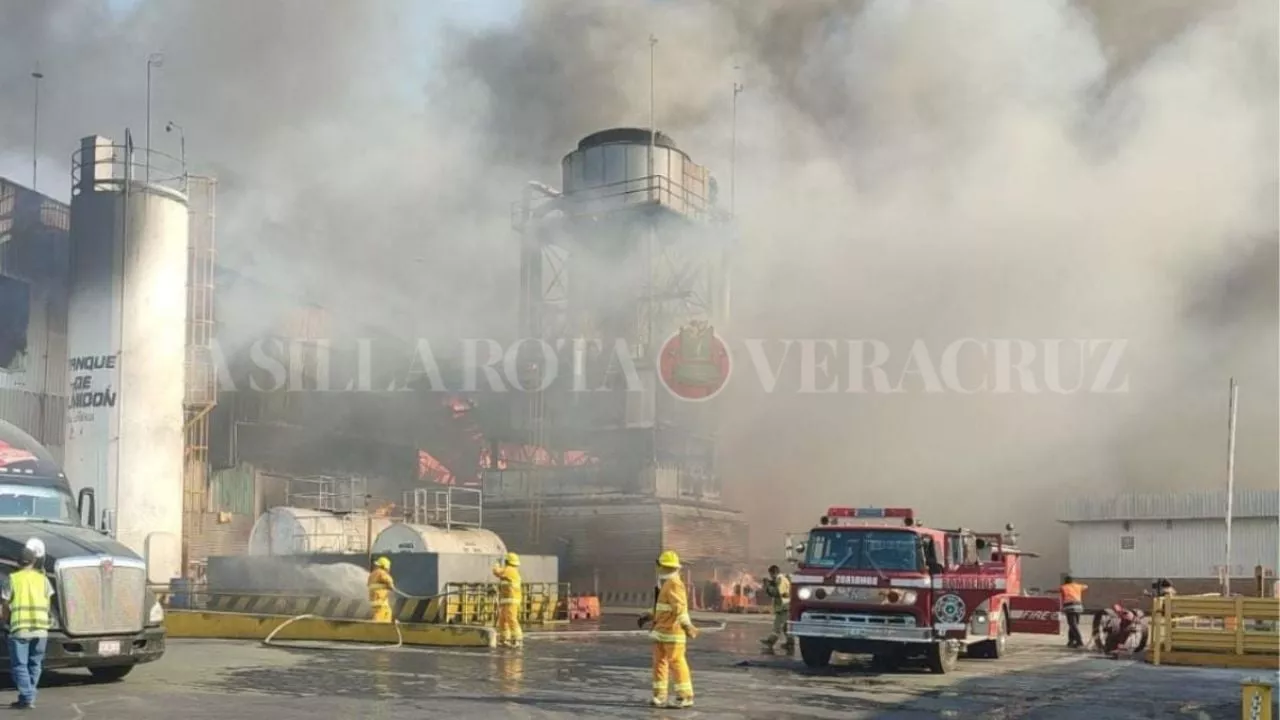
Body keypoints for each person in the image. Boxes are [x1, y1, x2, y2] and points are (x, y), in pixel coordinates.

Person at [637, 551, 698, 708]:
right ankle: (660, 695)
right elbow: (663, 608)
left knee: (677, 663)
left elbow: (680, 608)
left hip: (673, 633)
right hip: (661, 633)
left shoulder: (674, 584)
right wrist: (648, 616)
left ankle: (685, 696)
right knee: (659, 664)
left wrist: (687, 625)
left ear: (664, 567)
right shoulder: (665, 584)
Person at [2, 538, 53, 709]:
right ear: (33, 561)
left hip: (20, 629)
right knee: (35, 664)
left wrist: (4, 621)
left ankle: (28, 694)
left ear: (18, 562)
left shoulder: (13, 579)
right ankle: (26, 699)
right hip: (41, 629)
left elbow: (5, 604)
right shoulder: (43, 580)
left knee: (19, 665)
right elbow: (48, 603)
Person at [759, 565, 793, 654]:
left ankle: (770, 642)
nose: (771, 577)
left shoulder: (781, 580)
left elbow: (777, 592)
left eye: (771, 574)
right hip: (785, 606)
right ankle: (790, 643)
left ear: (774, 572)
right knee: (786, 627)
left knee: (777, 626)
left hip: (783, 607)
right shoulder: (782, 579)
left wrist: (767, 586)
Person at [492, 552, 523, 648]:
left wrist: (496, 564)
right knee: (503, 619)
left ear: (507, 561)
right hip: (507, 599)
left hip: (512, 599)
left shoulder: (509, 570)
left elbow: (497, 572)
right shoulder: (511, 571)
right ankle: (504, 639)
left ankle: (517, 640)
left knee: (511, 618)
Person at [1059, 574, 1088, 648]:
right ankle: (1071, 641)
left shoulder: (1063, 587)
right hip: (1079, 607)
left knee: (1072, 625)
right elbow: (1086, 586)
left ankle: (1079, 642)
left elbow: (1062, 598)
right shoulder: (1078, 586)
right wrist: (1076, 585)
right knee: (1074, 624)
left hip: (1069, 607)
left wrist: (1061, 608)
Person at [367, 556, 395, 623]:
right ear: (385, 567)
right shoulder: (381, 573)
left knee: (385, 613)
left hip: (374, 602)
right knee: (382, 617)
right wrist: (391, 586)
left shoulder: (372, 575)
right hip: (380, 602)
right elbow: (389, 580)